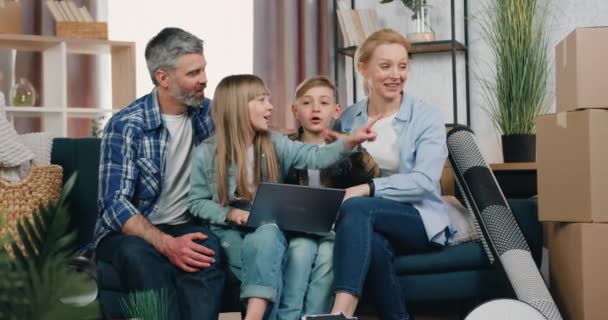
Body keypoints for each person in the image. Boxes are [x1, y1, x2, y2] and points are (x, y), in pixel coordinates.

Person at [188, 74, 378, 320]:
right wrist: (231, 213)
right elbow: (196, 201)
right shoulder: (206, 153)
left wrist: (350, 141)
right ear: (238, 106)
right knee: (268, 250)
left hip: (270, 226)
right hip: (232, 230)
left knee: (284, 240)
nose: (271, 106)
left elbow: (315, 157)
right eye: (262, 100)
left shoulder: (275, 143)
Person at [93, 27, 224, 320]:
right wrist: (166, 244)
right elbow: (114, 204)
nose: (204, 79)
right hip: (131, 231)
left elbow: (253, 131)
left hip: (186, 223)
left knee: (206, 252)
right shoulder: (127, 125)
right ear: (162, 78)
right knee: (141, 258)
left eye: (203, 69)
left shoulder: (209, 114)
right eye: (193, 74)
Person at [328, 28, 453, 320]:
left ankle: (340, 314)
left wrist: (367, 188)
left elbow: (424, 182)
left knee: (359, 208)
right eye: (385, 66)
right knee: (374, 246)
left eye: (402, 65)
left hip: (418, 217)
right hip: (369, 220)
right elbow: (334, 169)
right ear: (363, 68)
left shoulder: (426, 117)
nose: (396, 74)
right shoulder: (348, 119)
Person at [279, 75, 380, 320]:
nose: (315, 109)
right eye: (306, 103)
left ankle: (315, 316)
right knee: (300, 251)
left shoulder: (348, 147)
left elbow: (374, 180)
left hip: (333, 231)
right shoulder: (284, 147)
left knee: (328, 255)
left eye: (323, 103)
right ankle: (288, 316)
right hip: (296, 231)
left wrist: (352, 148)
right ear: (295, 110)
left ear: (336, 111)